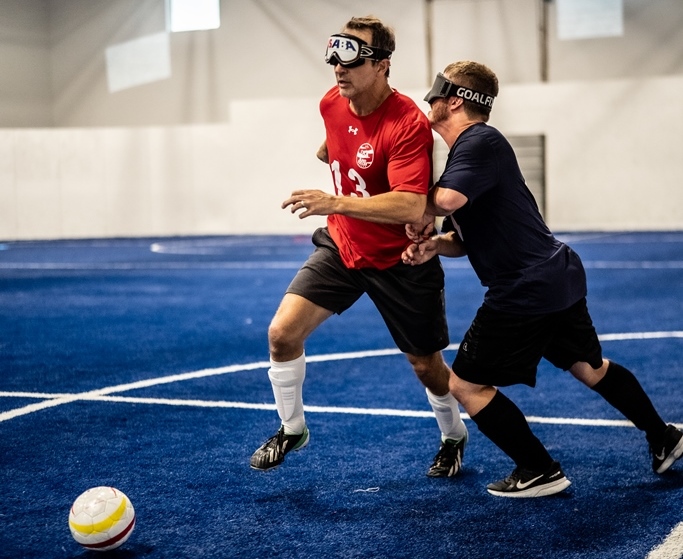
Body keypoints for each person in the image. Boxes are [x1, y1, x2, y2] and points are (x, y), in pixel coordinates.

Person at [403, 60, 683, 497]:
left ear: (455, 99)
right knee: (590, 368)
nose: (431, 99)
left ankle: (538, 469)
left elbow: (447, 199)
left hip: (526, 286)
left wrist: (398, 195)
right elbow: (463, 235)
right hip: (554, 276)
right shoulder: (472, 149)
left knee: (464, 383)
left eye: (437, 92)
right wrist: (437, 245)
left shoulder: (478, 139)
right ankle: (664, 436)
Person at [250, 16, 468, 476]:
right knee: (281, 335)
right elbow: (331, 148)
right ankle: (292, 429)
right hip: (343, 245)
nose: (337, 67)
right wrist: (342, 172)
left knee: (426, 366)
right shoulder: (332, 102)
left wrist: (335, 199)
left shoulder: (407, 122)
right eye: (334, 55)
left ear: (383, 65)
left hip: (400, 260)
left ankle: (453, 436)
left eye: (351, 58)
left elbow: (410, 206)